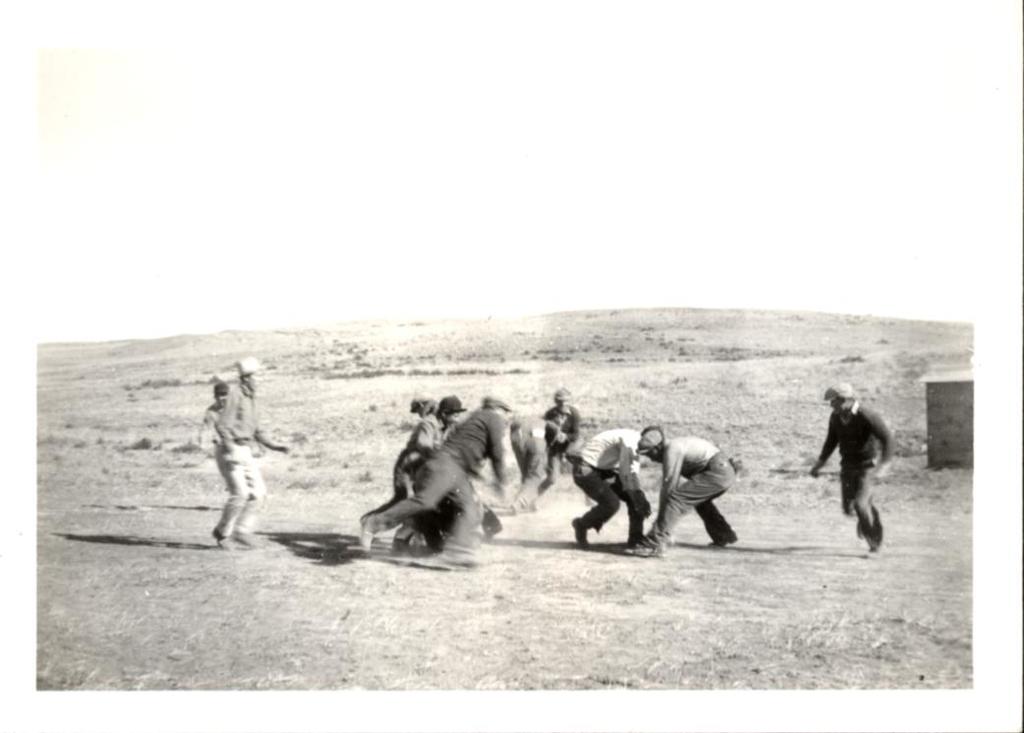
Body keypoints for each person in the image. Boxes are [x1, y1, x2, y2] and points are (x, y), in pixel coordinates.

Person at [359, 396, 516, 567]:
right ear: (499, 409)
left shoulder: (477, 418)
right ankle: (373, 523)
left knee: (469, 509)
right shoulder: (492, 417)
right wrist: (501, 482)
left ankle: (458, 552)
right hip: (442, 465)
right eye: (507, 412)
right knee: (425, 502)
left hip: (455, 469)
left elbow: (465, 447)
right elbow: (497, 453)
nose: (509, 417)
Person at [211, 357, 289, 549]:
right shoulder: (235, 395)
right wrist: (230, 447)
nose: (259, 380)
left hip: (244, 450)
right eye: (257, 377)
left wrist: (274, 446)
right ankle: (222, 534)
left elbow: (257, 430)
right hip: (230, 451)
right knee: (240, 495)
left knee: (259, 495)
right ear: (246, 378)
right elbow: (222, 425)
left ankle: (242, 531)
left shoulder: (252, 399)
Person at [629, 426, 739, 558]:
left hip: (718, 471)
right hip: (723, 471)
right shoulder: (675, 445)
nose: (651, 459)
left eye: (649, 453)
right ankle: (723, 534)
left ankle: (654, 543)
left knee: (676, 499)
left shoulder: (672, 449)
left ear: (657, 448)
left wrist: (660, 521)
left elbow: (669, 487)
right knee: (700, 502)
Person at [809, 383, 893, 552]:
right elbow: (831, 441)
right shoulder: (835, 417)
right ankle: (866, 518)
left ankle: (874, 543)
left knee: (860, 505)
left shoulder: (866, 415)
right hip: (847, 466)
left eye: (834, 401)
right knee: (849, 509)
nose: (831, 405)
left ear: (846, 399)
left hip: (867, 467)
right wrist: (820, 463)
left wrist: (885, 464)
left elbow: (887, 438)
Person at [567, 428, 652, 549]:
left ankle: (636, 539)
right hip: (586, 469)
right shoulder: (630, 441)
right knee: (611, 503)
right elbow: (628, 474)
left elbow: (630, 475)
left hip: (603, 469)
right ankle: (581, 524)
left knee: (637, 499)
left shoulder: (635, 440)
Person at [540, 388, 582, 493]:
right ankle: (532, 498)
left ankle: (590, 498)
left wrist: (566, 437)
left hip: (571, 444)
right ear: (555, 401)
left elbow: (576, 434)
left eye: (566, 401)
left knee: (581, 473)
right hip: (555, 448)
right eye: (560, 401)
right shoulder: (549, 414)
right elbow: (544, 434)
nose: (563, 404)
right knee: (552, 478)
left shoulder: (574, 414)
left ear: (570, 401)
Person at [505, 414, 550, 513]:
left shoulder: (522, 421)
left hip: (517, 438)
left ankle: (529, 502)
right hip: (534, 445)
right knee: (534, 476)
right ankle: (518, 503)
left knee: (526, 475)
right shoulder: (545, 423)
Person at [197, 379, 230, 450]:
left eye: (225, 394)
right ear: (215, 397)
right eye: (220, 395)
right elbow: (206, 430)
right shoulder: (211, 412)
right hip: (221, 446)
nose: (223, 398)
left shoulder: (235, 408)